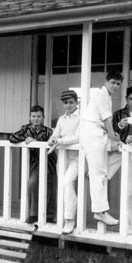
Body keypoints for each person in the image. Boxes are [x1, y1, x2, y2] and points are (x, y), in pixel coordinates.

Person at [80, 71, 121, 226]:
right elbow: (105, 119)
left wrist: (112, 135)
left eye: (118, 84)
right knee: (98, 175)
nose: (115, 86)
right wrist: (112, 135)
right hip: (92, 134)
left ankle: (95, 171)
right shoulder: (100, 94)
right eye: (113, 82)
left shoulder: (107, 96)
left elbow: (106, 122)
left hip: (99, 133)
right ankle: (99, 211)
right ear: (106, 81)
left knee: (120, 151)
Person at [10, 105, 57, 224]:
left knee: (50, 186)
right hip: (35, 163)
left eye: (39, 116)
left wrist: (36, 142)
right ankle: (34, 214)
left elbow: (50, 145)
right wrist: (26, 138)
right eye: (33, 116)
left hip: (48, 161)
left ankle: (50, 215)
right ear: (30, 117)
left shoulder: (48, 131)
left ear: (43, 117)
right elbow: (12, 137)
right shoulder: (25, 128)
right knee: (32, 183)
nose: (36, 119)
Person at [108, 86, 132, 231]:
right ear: (126, 99)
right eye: (131, 99)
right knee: (130, 190)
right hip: (128, 154)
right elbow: (114, 134)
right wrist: (120, 126)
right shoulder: (119, 114)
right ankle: (128, 225)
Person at [48, 90, 80, 235]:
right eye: (66, 103)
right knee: (62, 186)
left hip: (77, 158)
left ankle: (70, 219)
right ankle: (62, 217)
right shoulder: (61, 119)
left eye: (71, 102)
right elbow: (56, 133)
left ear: (76, 102)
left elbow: (77, 138)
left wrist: (59, 141)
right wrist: (52, 139)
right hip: (62, 157)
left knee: (67, 183)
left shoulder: (81, 118)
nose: (68, 105)